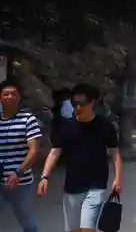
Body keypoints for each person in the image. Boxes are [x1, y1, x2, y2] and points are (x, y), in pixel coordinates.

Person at [38, 83, 122, 232]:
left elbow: (115, 153)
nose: (78, 108)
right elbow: (55, 151)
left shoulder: (104, 126)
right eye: (75, 104)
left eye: (82, 104)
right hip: (72, 185)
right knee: (74, 230)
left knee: (87, 229)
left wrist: (118, 178)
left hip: (97, 184)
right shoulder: (65, 127)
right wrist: (45, 177)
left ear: (92, 103)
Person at [0, 79, 42, 232]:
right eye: (6, 94)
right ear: (0, 97)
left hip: (20, 182)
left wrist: (18, 173)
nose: (9, 97)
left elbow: (33, 150)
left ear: (19, 98)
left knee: (27, 222)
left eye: (13, 94)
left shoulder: (28, 119)